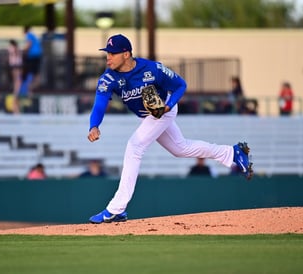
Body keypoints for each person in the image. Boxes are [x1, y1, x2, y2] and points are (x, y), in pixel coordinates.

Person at [87, 34, 253, 224]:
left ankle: (116, 209)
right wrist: (94, 125)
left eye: (113, 53)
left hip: (164, 110)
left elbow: (180, 85)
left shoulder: (152, 69)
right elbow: (99, 104)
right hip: (149, 115)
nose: (108, 57)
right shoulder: (108, 78)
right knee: (180, 148)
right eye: (107, 53)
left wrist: (169, 105)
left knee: (135, 146)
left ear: (126, 54)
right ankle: (233, 152)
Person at [22, 26, 43, 95]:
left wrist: (23, 51)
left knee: (31, 72)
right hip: (37, 56)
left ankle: (29, 88)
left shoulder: (29, 35)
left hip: (33, 56)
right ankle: (32, 86)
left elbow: (29, 44)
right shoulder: (33, 35)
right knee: (35, 72)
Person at [8, 39, 23, 114]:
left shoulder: (14, 49)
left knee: (17, 81)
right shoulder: (14, 49)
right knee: (16, 81)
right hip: (15, 66)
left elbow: (15, 55)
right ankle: (16, 93)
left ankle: (16, 93)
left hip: (16, 66)